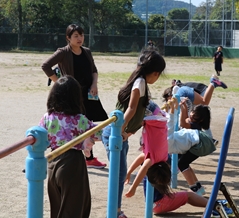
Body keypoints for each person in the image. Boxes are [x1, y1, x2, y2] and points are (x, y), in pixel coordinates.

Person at [101, 49, 166, 218]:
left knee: (120, 173)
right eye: (158, 75)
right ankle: (115, 211)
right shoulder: (140, 83)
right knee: (119, 173)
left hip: (121, 134)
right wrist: (119, 131)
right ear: (155, 73)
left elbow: (138, 115)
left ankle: (116, 210)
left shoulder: (140, 82)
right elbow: (131, 109)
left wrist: (125, 134)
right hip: (115, 132)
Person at [42, 24, 108, 169]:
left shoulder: (87, 52)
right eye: (76, 36)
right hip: (71, 95)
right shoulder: (63, 53)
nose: (80, 39)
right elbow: (45, 66)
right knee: (70, 123)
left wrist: (94, 84)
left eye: (81, 35)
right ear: (68, 38)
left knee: (87, 123)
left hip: (88, 93)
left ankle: (89, 157)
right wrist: (61, 84)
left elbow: (94, 70)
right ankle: (50, 154)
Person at [38, 75, 103, 218]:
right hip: (72, 163)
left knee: (57, 208)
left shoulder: (47, 118)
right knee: (75, 208)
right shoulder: (78, 119)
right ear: (76, 98)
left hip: (52, 163)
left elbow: (40, 139)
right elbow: (99, 133)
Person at [162, 76, 227, 112]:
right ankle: (213, 83)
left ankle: (213, 83)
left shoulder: (177, 90)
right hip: (197, 91)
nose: (168, 101)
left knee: (204, 103)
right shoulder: (178, 88)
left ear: (169, 95)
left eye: (168, 99)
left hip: (198, 91)